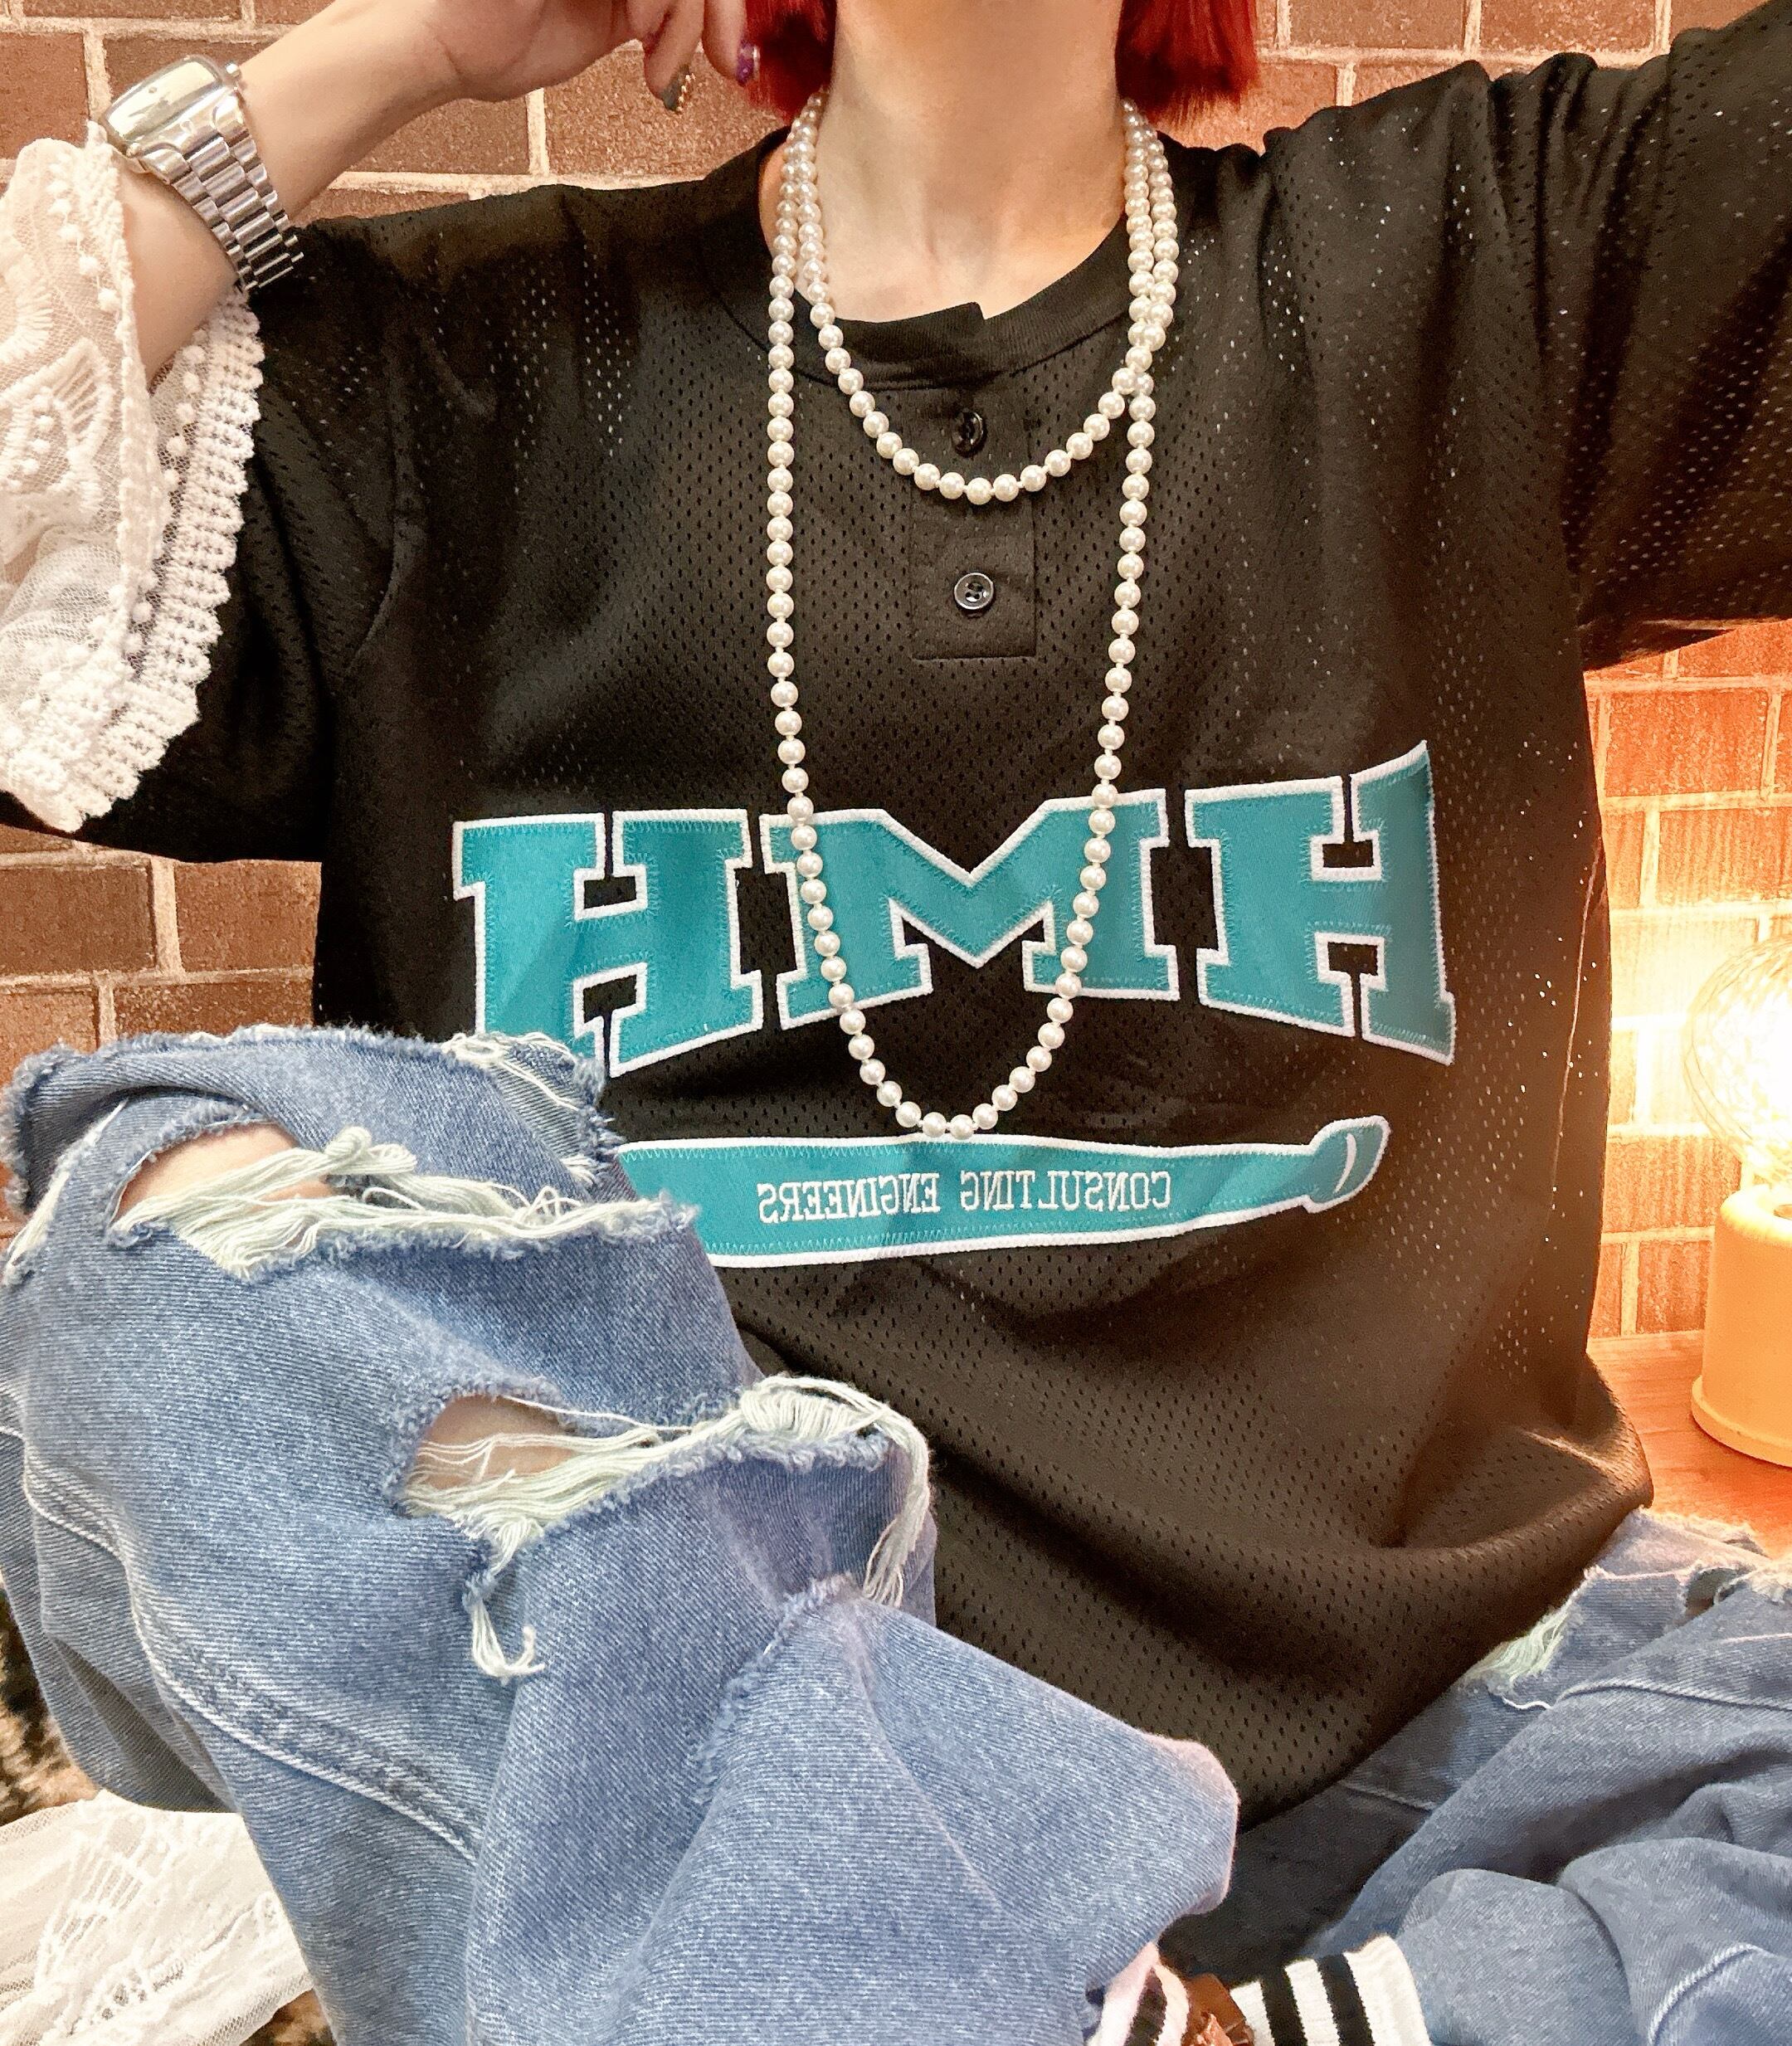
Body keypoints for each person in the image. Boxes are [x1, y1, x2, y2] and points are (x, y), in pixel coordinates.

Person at [0, 0, 1788, 2039]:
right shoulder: (462, 374)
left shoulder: (1496, 264)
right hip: (732, 1744)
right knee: (153, 1214)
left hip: (1418, 1728)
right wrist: (394, 48)